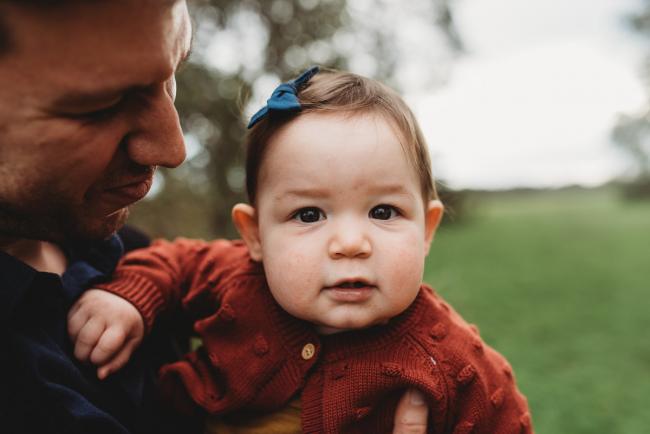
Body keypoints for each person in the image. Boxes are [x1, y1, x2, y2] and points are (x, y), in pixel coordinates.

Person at [0, 1, 428, 432]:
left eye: (171, 80)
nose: (173, 149)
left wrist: (136, 292)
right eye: (101, 106)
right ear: (253, 231)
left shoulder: (110, 243)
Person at [69, 67, 533, 433]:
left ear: (427, 228)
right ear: (253, 236)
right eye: (309, 215)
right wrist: (131, 296)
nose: (351, 243)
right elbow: (175, 262)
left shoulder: (449, 359)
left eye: (384, 212)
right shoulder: (238, 277)